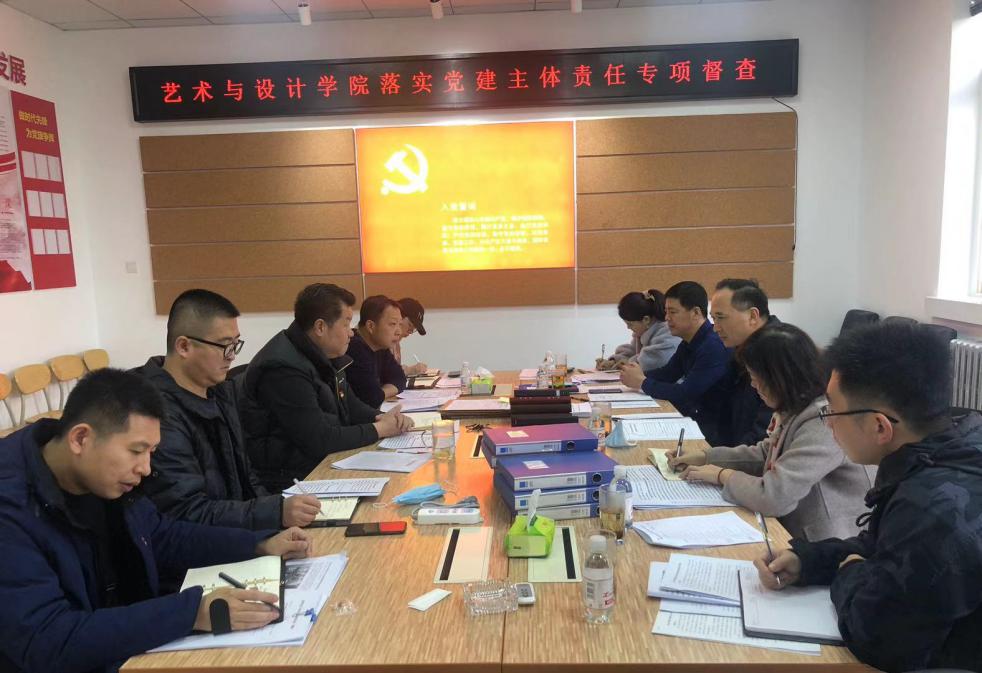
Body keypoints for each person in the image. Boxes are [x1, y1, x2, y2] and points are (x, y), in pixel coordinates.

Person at [0, 368, 311, 673]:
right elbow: (47, 640)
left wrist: (258, 544)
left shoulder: (103, 478)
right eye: (136, 451)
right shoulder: (10, 508)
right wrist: (192, 612)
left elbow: (161, 535)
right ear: (81, 438)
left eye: (151, 452)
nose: (146, 468)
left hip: (126, 650)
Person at [755, 322, 982, 673]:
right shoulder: (944, 449)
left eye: (831, 411)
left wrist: (851, 571)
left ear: (880, 426)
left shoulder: (931, 507)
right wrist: (809, 560)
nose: (828, 424)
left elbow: (878, 637)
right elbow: (881, 548)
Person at [669, 323, 875, 540]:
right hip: (793, 527)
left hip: (827, 540)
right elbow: (766, 453)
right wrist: (706, 457)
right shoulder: (796, 405)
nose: (753, 386)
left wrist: (723, 475)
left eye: (756, 378)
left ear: (780, 378)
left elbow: (774, 497)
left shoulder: (825, 420)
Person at [136, 289, 321, 530]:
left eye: (236, 344)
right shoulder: (155, 412)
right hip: (204, 544)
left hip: (238, 532)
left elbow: (247, 476)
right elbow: (185, 512)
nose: (232, 356)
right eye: (224, 346)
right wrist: (275, 513)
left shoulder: (219, 391)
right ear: (184, 346)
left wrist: (277, 516)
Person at [241, 283, 412, 492]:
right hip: (291, 481)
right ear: (320, 327)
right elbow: (318, 439)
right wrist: (379, 429)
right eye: (346, 324)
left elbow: (352, 407)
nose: (351, 333)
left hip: (321, 464)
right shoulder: (283, 369)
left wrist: (385, 418)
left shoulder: (323, 355)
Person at [620, 281, 729, 435]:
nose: (666, 318)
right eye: (666, 312)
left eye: (673, 312)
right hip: (692, 418)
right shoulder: (688, 341)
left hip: (712, 429)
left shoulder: (712, 346)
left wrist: (641, 382)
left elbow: (685, 394)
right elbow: (668, 373)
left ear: (696, 313)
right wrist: (635, 375)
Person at [708, 278, 780, 446]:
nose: (715, 328)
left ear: (752, 316)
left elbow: (764, 435)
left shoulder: (778, 354)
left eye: (721, 317)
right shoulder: (742, 346)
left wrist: (719, 458)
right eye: (713, 318)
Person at [345, 294, 408, 408]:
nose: (398, 331)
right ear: (370, 326)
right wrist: (381, 393)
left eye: (400, 324)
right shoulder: (354, 348)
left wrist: (381, 393)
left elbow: (400, 378)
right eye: (393, 324)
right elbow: (372, 398)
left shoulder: (380, 346)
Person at [595, 289, 680, 372]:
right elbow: (632, 352)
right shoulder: (643, 332)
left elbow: (651, 362)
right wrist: (613, 362)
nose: (628, 327)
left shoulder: (668, 335)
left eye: (630, 324)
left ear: (646, 320)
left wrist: (626, 363)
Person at [393, 297, 428, 377]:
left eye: (413, 329)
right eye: (410, 325)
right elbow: (387, 374)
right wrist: (410, 370)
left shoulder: (396, 344)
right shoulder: (383, 342)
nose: (411, 332)